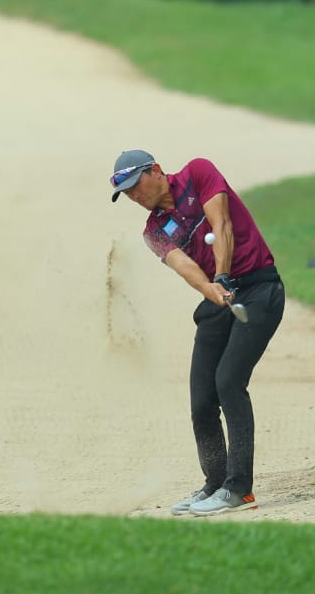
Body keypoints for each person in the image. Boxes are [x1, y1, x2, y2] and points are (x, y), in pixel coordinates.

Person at [108, 149, 285, 516]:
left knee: (228, 382)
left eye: (135, 186)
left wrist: (222, 275)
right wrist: (211, 290)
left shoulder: (198, 173)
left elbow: (222, 226)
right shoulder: (153, 232)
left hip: (259, 289)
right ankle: (215, 484)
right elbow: (184, 266)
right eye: (126, 194)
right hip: (219, 300)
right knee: (202, 398)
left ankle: (239, 490)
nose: (134, 197)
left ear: (155, 170)